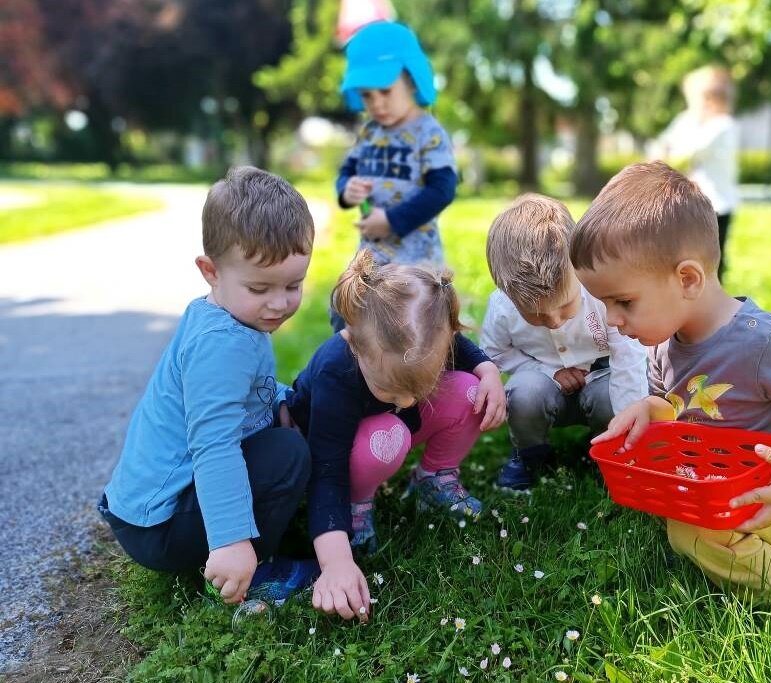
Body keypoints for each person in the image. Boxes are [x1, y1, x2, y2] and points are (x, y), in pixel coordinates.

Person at [570, 161, 771, 606]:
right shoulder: (663, 342)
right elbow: (672, 403)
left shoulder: (764, 345)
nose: (612, 320)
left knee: (689, 529)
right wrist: (650, 409)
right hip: (722, 484)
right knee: (678, 510)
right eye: (604, 303)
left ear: (688, 279)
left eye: (623, 302)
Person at [98, 167, 318, 606]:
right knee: (287, 454)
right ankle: (254, 568)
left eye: (293, 285)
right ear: (210, 270)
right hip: (157, 525)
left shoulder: (231, 314)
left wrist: (277, 399)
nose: (279, 303)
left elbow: (249, 387)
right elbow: (214, 445)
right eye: (260, 287)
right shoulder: (222, 346)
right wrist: (232, 538)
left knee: (292, 411)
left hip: (148, 512)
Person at [286, 250, 506, 621]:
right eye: (390, 390)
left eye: (418, 386)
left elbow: (461, 349)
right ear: (357, 346)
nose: (406, 400)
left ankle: (433, 479)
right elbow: (327, 470)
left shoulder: (423, 336)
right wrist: (336, 561)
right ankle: (357, 507)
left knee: (471, 390)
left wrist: (490, 374)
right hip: (344, 446)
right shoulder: (335, 371)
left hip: (391, 430)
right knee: (386, 435)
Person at [480, 194, 648, 492]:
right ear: (505, 291)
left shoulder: (601, 292)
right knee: (523, 395)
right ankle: (530, 453)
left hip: (601, 377)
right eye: (536, 315)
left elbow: (629, 357)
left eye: (565, 306)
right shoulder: (503, 307)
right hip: (543, 383)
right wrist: (548, 371)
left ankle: (609, 448)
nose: (555, 321)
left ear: (577, 268)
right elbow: (494, 353)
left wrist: (629, 425)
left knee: (612, 398)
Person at [330, 21, 458, 332]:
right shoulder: (370, 132)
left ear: (412, 81)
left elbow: (442, 189)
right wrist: (348, 190)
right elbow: (346, 171)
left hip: (416, 261)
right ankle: (355, 377)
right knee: (343, 312)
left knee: (410, 328)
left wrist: (390, 220)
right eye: (367, 95)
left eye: (385, 91)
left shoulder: (428, 133)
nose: (377, 104)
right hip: (371, 257)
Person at [653, 65, 739, 282]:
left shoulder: (723, 126)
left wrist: (671, 148)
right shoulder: (688, 121)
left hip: (717, 204)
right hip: (692, 203)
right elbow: (662, 144)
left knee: (712, 256)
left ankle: (714, 297)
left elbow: (686, 150)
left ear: (710, 99)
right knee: (687, 252)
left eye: (695, 100)